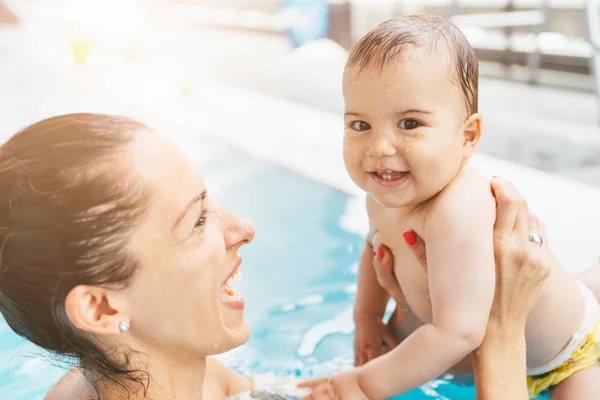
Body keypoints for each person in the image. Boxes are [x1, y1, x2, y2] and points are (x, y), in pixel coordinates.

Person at [0, 113, 589, 400]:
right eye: (197, 221)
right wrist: (501, 328)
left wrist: (415, 329)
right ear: (100, 307)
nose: (244, 229)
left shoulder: (123, 379)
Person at [306, 15, 599, 399]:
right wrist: (367, 318)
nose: (379, 148)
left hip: (566, 355)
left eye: (409, 123)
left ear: (468, 136)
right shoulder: (384, 191)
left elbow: (457, 332)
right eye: (361, 125)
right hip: (488, 350)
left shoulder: (456, 209)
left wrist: (365, 383)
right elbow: (371, 246)